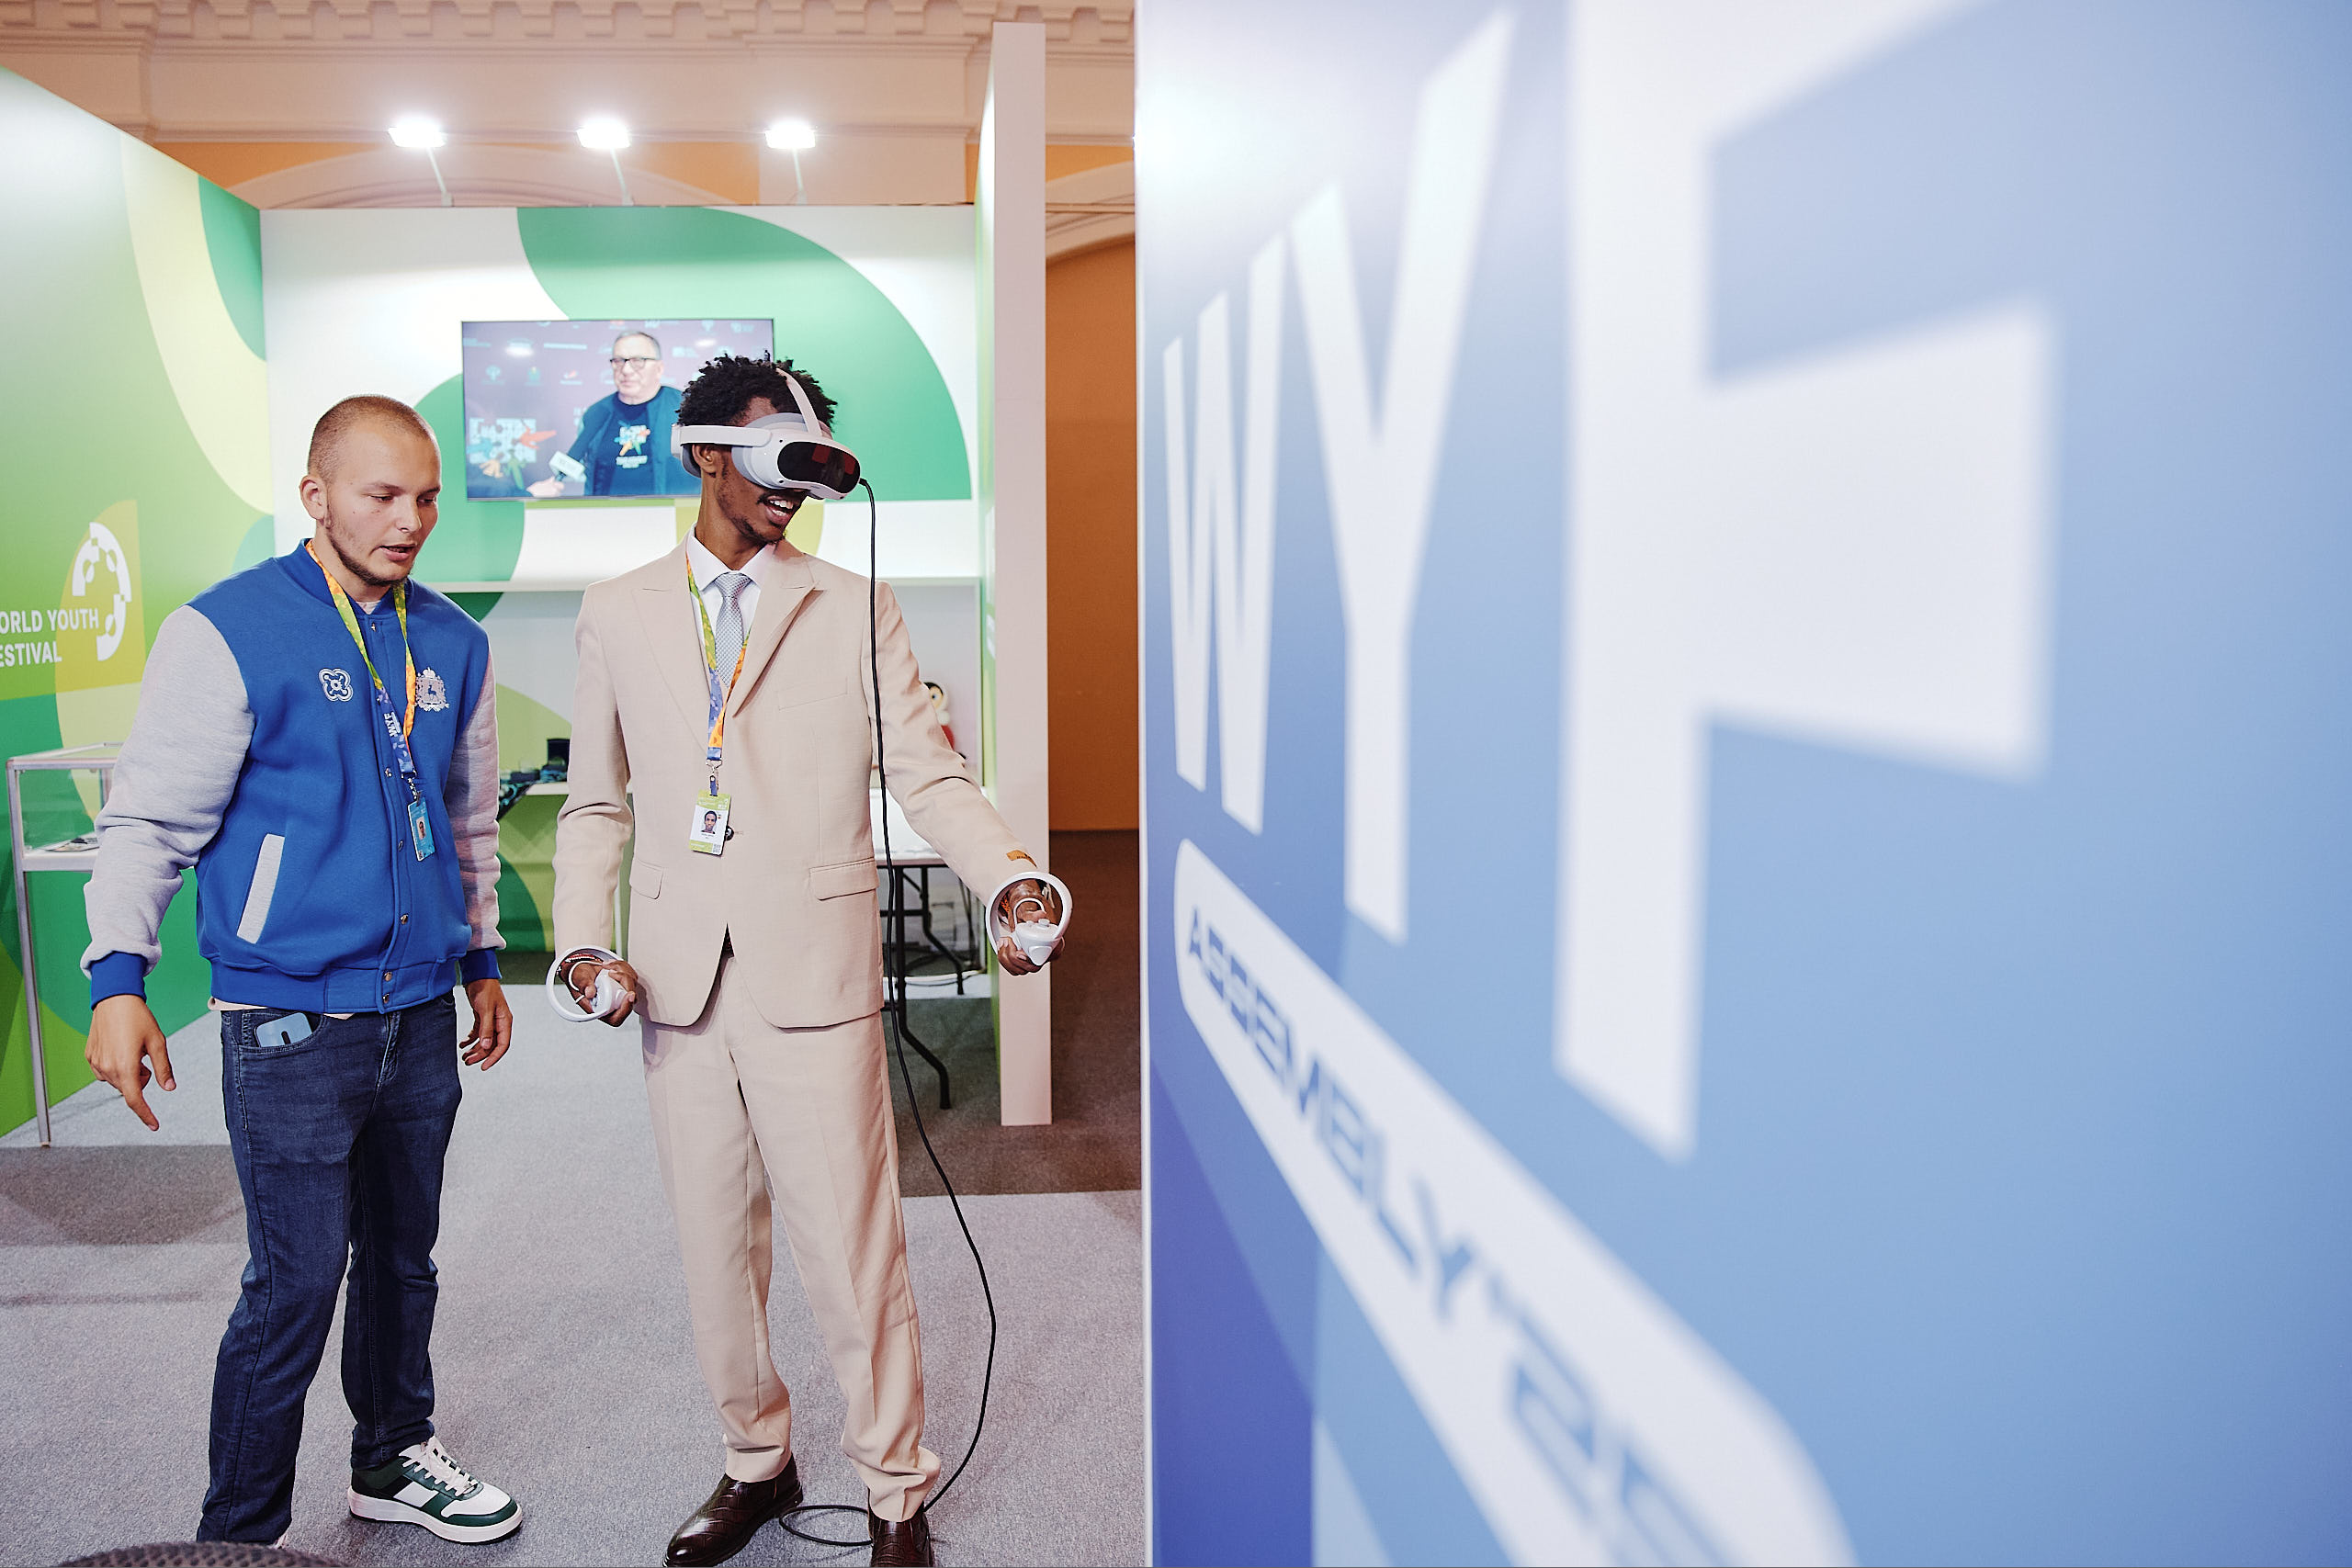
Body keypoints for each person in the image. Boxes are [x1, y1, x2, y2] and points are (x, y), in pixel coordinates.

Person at [549, 354, 1063, 1568]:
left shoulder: (852, 603)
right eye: (776, 452)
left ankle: (894, 1487)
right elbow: (595, 803)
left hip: (815, 973)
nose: (795, 483)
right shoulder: (616, 610)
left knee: (851, 1247)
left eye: (814, 460)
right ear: (705, 452)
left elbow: (928, 771)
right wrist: (582, 942)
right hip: (677, 981)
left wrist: (1011, 874)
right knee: (715, 1249)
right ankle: (755, 1460)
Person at [80, 395, 523, 1548]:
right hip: (287, 1023)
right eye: (382, 495)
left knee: (403, 1260)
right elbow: (148, 823)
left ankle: (391, 1455)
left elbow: (464, 822)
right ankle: (237, 1534)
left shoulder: (454, 641)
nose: (410, 519)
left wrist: (480, 958)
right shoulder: (227, 630)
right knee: (294, 1283)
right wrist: (118, 977)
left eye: (427, 497)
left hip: (418, 1012)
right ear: (316, 497)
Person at [529, 329, 694, 497]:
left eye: (638, 361)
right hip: (606, 512)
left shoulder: (686, 407)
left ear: (659, 368)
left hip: (671, 511)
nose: (626, 370)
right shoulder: (596, 413)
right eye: (618, 361)